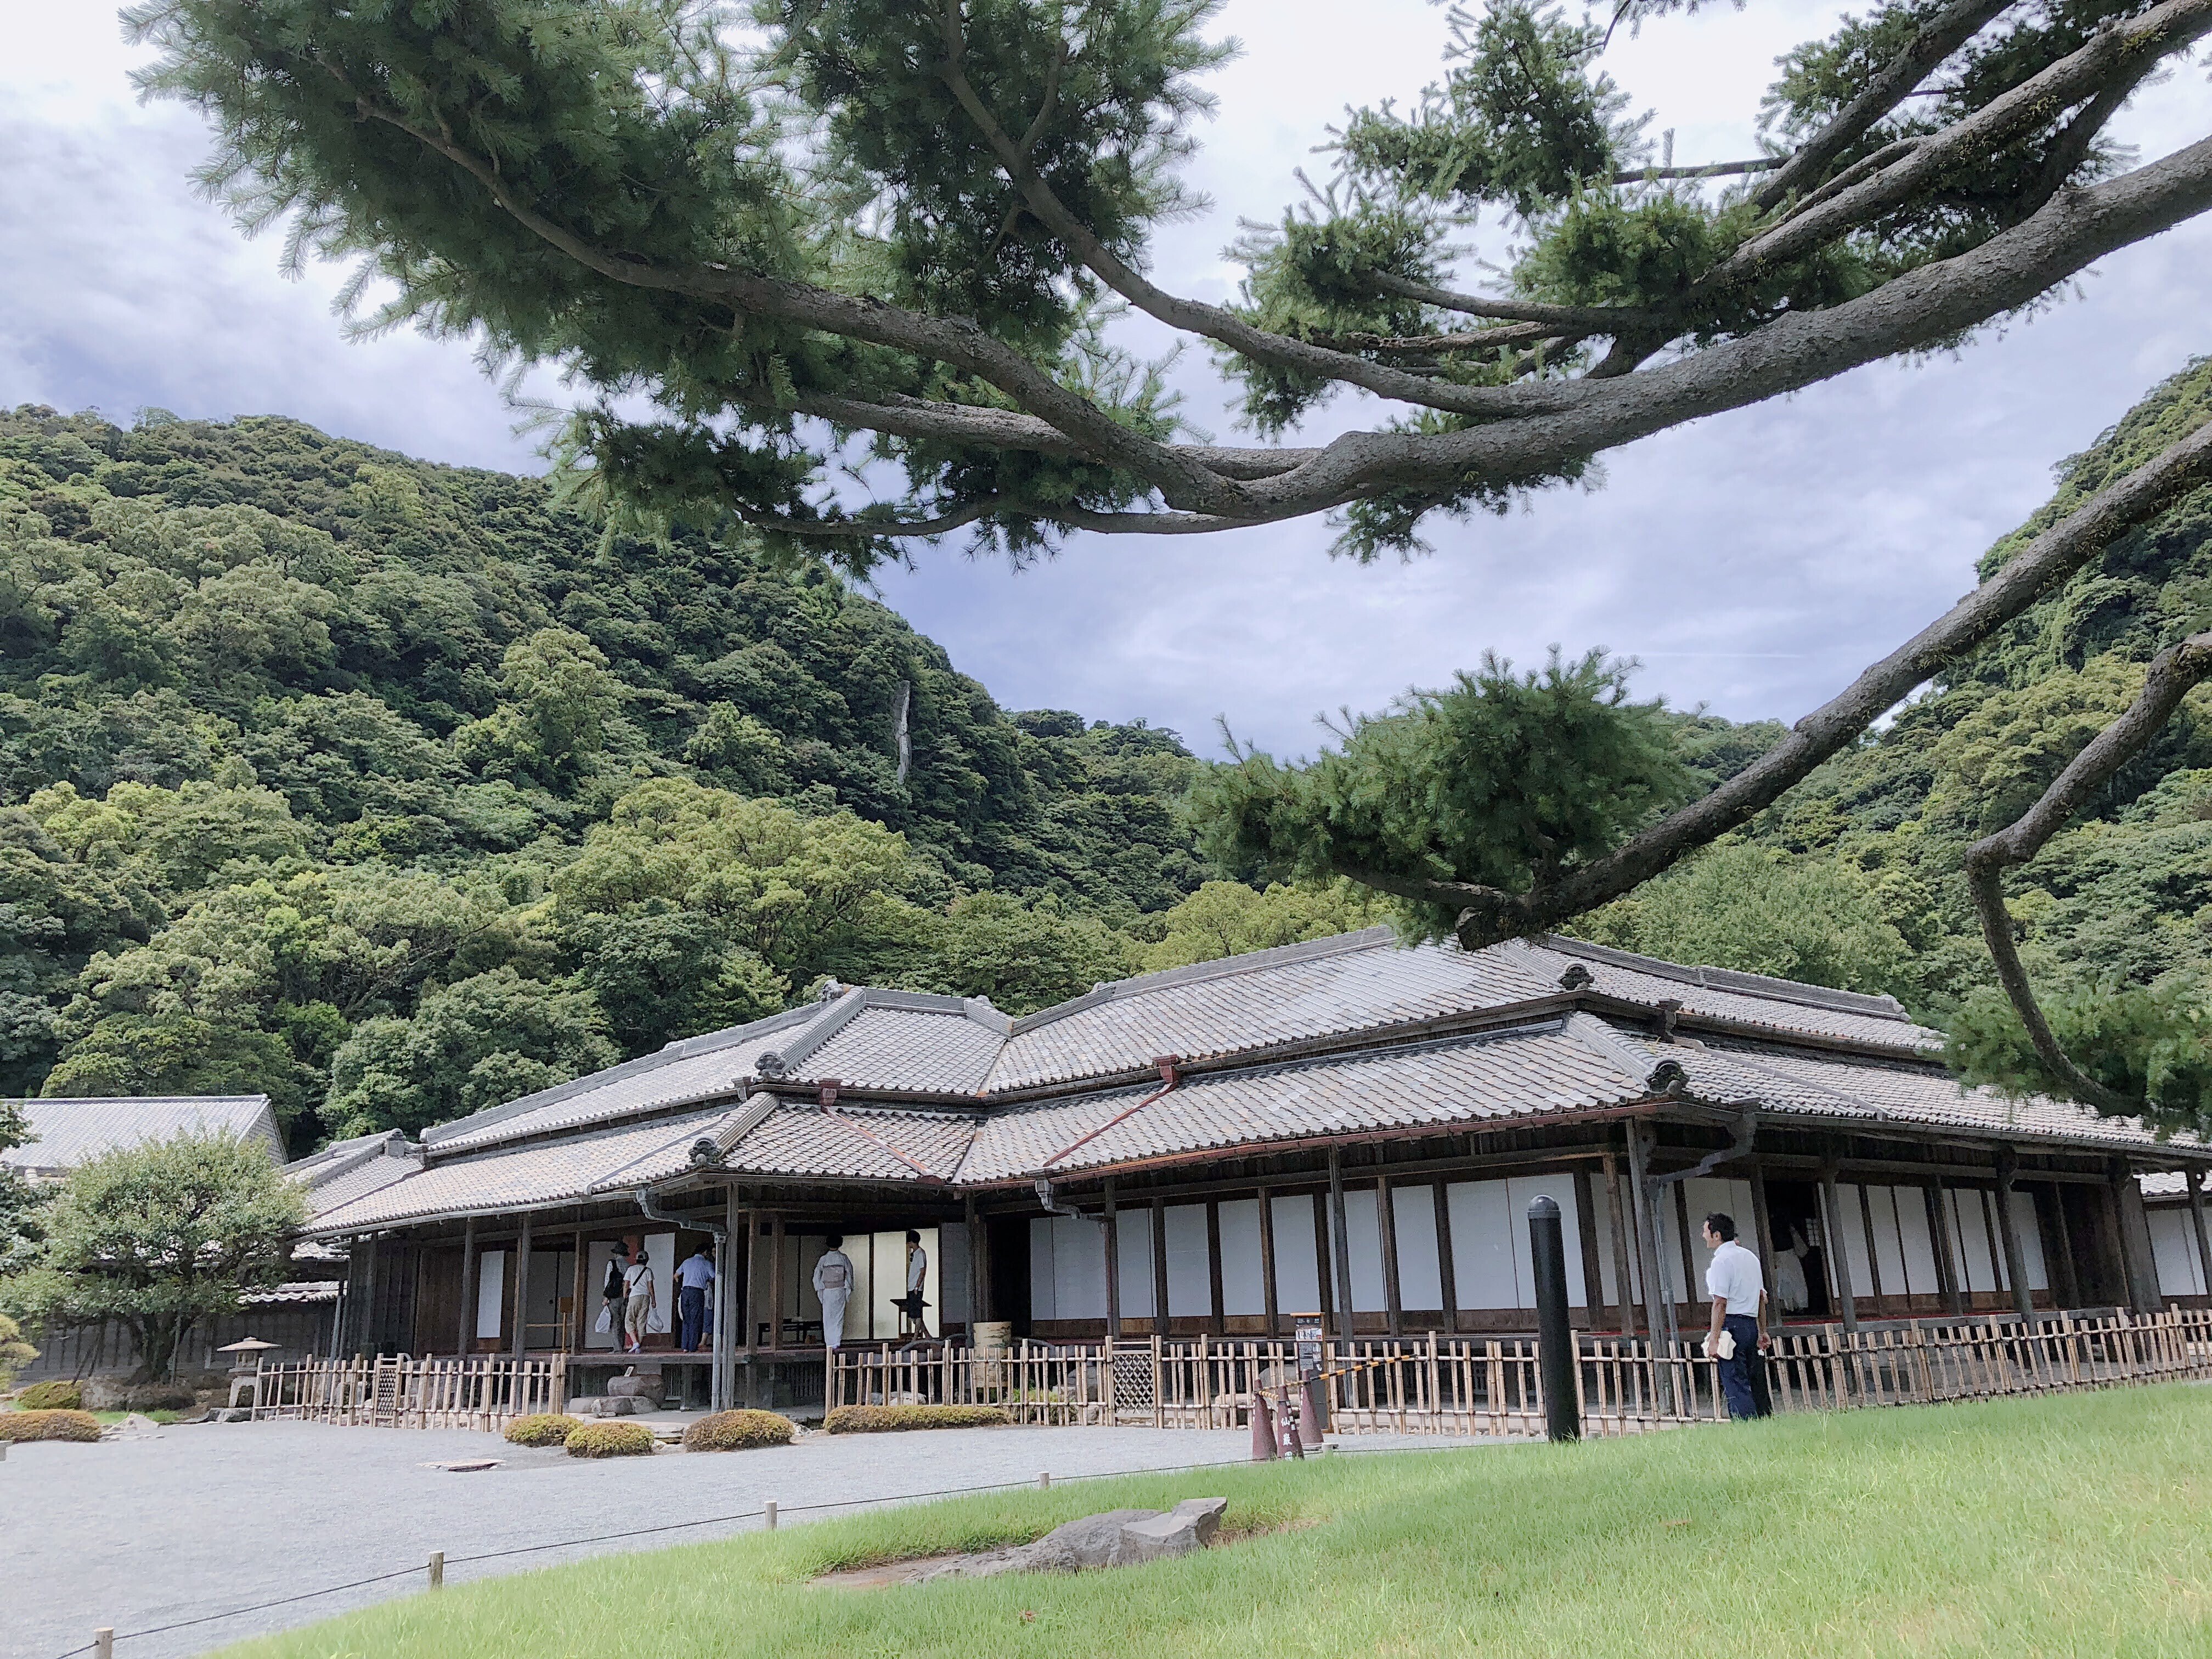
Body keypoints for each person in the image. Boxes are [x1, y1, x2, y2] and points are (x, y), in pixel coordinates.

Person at [1701, 1212, 1771, 1420]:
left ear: (1717, 1235)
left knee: (1735, 1380)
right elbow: (1761, 1297)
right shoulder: (1750, 1257)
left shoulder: (1721, 1262)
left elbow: (1720, 1303)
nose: (1703, 1235)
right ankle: (1764, 1419)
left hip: (1732, 1325)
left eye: (1706, 1232)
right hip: (1751, 1323)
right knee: (1755, 1378)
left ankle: (1745, 1423)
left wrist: (1714, 1339)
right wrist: (1763, 1330)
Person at [813, 1233, 854, 1351]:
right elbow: (850, 1274)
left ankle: (829, 1343)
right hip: (839, 1290)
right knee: (838, 1317)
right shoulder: (843, 1258)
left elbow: (816, 1276)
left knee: (828, 1317)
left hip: (827, 1291)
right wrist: (848, 1287)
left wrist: (820, 1288)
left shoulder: (824, 1259)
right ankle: (836, 1342)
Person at [676, 1244, 715, 1352]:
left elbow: (676, 1275)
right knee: (695, 1319)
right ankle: (692, 1347)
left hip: (685, 1291)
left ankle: (685, 1346)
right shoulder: (706, 1263)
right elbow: (714, 1277)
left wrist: (682, 1286)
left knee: (686, 1319)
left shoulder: (687, 1262)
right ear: (704, 1253)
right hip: (697, 1292)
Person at [896, 1228, 932, 1341]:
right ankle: (927, 1335)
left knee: (916, 1314)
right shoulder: (915, 1254)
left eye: (909, 1242)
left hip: (916, 1288)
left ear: (912, 1242)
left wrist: (917, 1286)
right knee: (913, 1314)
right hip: (912, 1287)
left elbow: (923, 1271)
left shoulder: (921, 1253)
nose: (908, 1244)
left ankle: (916, 1336)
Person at [621, 1248, 657, 1355]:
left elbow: (626, 1284)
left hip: (634, 1296)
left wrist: (625, 1296)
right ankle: (638, 1347)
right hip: (646, 1297)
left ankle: (635, 1342)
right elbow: (650, 1286)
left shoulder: (631, 1269)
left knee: (629, 1320)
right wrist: (654, 1300)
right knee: (641, 1321)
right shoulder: (648, 1271)